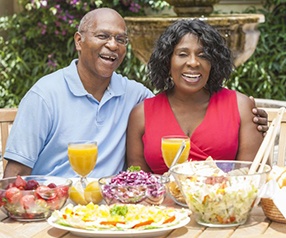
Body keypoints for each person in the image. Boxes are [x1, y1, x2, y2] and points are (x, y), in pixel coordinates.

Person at [3, 9, 267, 178]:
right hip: (54, 205)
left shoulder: (133, 95)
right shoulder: (45, 96)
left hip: (116, 208)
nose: (112, 45)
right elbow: (15, 173)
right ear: (79, 41)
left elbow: (248, 177)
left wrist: (256, 118)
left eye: (120, 39)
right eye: (103, 35)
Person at [126, 19, 265, 175]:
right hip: (160, 199)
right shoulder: (141, 115)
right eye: (183, 54)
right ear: (167, 61)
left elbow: (252, 176)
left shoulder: (240, 106)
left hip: (225, 197)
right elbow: (137, 181)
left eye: (203, 55)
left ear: (214, 62)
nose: (193, 62)